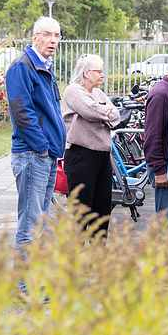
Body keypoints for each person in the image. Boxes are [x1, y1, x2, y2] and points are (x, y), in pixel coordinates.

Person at [5, 17, 67, 250]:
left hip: (46, 155)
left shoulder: (44, 67)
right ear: (35, 37)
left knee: (41, 222)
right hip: (33, 155)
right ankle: (25, 286)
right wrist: (41, 146)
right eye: (48, 35)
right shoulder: (22, 67)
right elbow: (22, 112)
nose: (53, 41)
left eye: (57, 35)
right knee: (30, 225)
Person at [62, 54, 121, 234]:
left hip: (102, 156)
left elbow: (117, 117)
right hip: (81, 156)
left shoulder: (98, 93)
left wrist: (103, 114)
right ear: (87, 73)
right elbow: (90, 111)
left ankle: (98, 255)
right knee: (81, 212)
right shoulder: (73, 91)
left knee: (102, 210)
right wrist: (105, 114)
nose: (103, 75)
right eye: (99, 71)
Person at [143, 61, 168, 220]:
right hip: (165, 169)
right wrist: (159, 171)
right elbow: (152, 135)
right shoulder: (161, 94)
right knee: (167, 221)